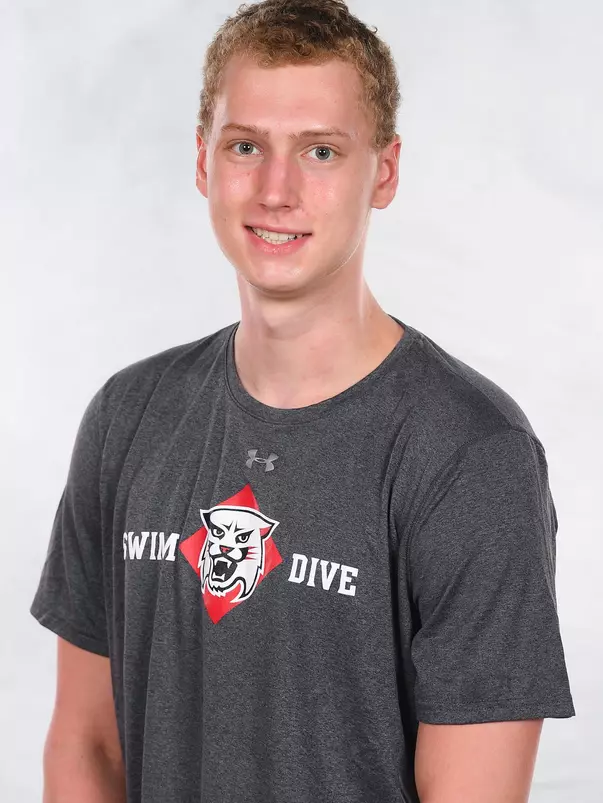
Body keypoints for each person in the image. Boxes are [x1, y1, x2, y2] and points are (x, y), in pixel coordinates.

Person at [30, 1, 575, 801]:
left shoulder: (470, 455)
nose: (276, 189)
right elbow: (87, 747)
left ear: (383, 171)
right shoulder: (127, 417)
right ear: (201, 161)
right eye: (245, 145)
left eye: (320, 151)